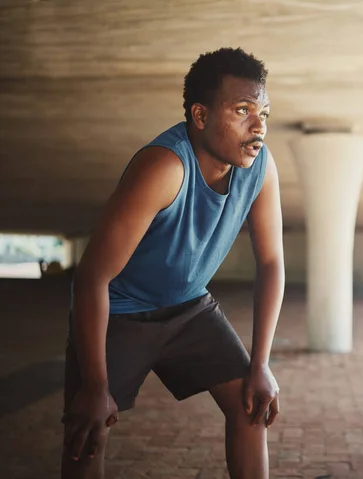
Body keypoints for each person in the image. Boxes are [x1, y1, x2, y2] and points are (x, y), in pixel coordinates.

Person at [62, 47, 284, 479]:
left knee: (251, 403)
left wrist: (260, 365)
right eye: (242, 110)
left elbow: (272, 261)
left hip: (189, 307)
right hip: (120, 312)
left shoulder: (260, 166)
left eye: (264, 113)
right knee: (88, 433)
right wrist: (94, 386)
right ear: (199, 116)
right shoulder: (164, 166)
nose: (258, 126)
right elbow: (92, 277)